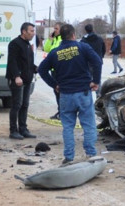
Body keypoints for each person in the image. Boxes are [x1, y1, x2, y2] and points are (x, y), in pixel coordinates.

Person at [38, 24, 102, 164]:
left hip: (66, 95)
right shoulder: (83, 47)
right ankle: (91, 154)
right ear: (74, 35)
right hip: (83, 92)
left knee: (67, 127)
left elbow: (42, 70)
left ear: (60, 36)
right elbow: (97, 62)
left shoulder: (55, 52)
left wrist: (54, 84)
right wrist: (95, 81)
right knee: (89, 125)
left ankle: (68, 157)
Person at [6, 22, 37, 140]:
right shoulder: (15, 44)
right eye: (31, 31)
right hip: (18, 80)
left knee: (25, 105)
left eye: (34, 31)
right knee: (16, 105)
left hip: (27, 79)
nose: (33, 33)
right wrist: (16, 76)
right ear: (24, 31)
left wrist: (36, 68)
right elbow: (12, 62)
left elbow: (27, 62)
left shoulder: (28, 45)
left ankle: (23, 129)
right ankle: (13, 130)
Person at [43, 23, 63, 119]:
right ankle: (60, 111)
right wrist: (50, 39)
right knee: (56, 91)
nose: (55, 30)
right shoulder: (54, 39)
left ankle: (62, 112)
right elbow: (46, 49)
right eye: (54, 28)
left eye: (57, 28)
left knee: (61, 91)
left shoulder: (62, 40)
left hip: (60, 69)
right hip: (53, 69)